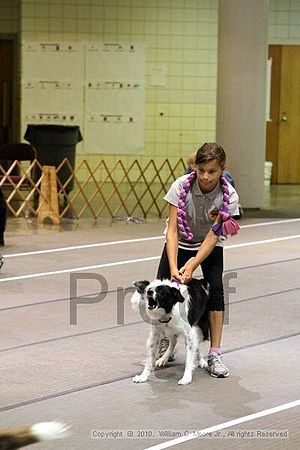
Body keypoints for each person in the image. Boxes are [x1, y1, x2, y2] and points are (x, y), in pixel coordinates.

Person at [156, 142, 240, 378]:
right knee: (163, 290)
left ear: (222, 169)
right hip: (180, 241)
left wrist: (192, 265)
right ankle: (166, 341)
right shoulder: (180, 186)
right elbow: (172, 230)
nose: (205, 176)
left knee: (216, 291)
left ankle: (214, 353)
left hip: (208, 244)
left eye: (211, 171)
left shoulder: (229, 196)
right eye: (201, 170)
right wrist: (174, 268)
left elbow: (213, 237)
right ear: (195, 167)